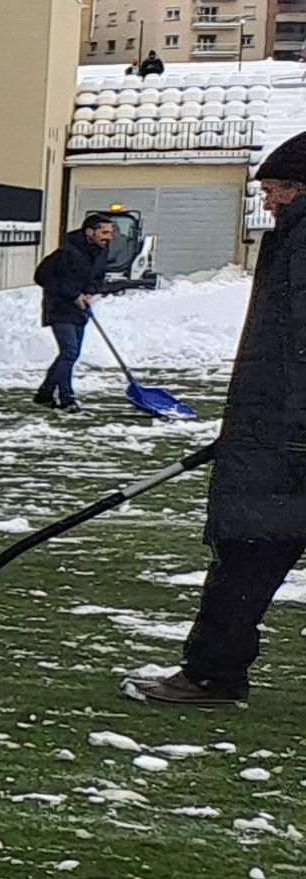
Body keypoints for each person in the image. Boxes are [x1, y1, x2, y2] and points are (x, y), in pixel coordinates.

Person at [134, 136, 306, 703]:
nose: (269, 201)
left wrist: (286, 435)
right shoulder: (291, 242)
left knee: (246, 557)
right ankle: (213, 673)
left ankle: (214, 674)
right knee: (245, 560)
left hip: (283, 450)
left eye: (276, 190)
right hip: (272, 440)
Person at [32, 210, 128, 409]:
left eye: (110, 233)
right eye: (104, 233)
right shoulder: (67, 252)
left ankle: (45, 393)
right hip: (59, 307)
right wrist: (74, 295)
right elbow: (42, 276)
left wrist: (90, 293)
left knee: (70, 354)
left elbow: (97, 278)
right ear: (90, 232)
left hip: (79, 309)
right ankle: (67, 398)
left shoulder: (101, 253)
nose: (109, 238)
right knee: (69, 352)